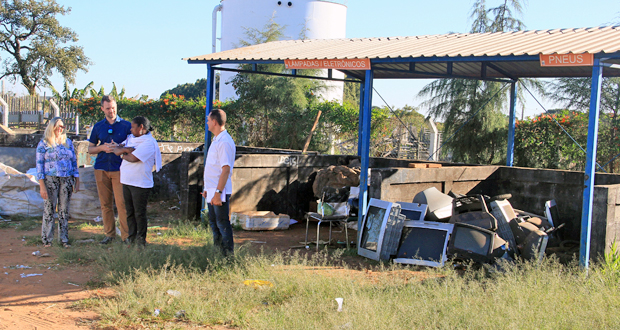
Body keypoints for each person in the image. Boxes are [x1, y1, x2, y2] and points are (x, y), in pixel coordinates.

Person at [88, 95, 132, 244]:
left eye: (113, 107)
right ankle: (109, 234)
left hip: (120, 169)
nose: (111, 111)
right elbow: (90, 149)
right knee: (105, 204)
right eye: (108, 108)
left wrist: (119, 148)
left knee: (122, 203)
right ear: (102, 109)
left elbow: (133, 147)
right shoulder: (98, 126)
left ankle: (126, 236)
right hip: (101, 168)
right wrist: (102, 147)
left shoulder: (126, 126)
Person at [113, 116, 162, 246]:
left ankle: (141, 240)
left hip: (140, 183)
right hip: (127, 180)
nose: (131, 129)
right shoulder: (131, 139)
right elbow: (117, 150)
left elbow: (134, 158)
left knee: (139, 213)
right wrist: (125, 150)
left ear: (141, 128)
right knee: (129, 212)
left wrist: (124, 153)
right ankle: (132, 237)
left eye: (133, 127)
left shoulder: (148, 142)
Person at [36, 117, 80, 248]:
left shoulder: (68, 143)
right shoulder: (44, 144)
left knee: (64, 210)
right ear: (52, 127)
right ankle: (47, 239)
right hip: (50, 179)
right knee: (49, 209)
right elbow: (39, 165)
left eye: (62, 127)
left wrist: (77, 179)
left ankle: (64, 239)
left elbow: (74, 162)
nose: (60, 129)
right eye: (58, 126)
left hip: (66, 179)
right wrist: (42, 185)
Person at [201, 109, 236, 255]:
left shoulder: (225, 142)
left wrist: (218, 192)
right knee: (215, 224)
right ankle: (218, 253)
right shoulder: (217, 140)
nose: (207, 123)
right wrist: (208, 189)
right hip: (213, 191)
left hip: (219, 192)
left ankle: (227, 256)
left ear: (214, 122)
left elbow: (225, 169)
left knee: (222, 224)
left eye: (208, 120)